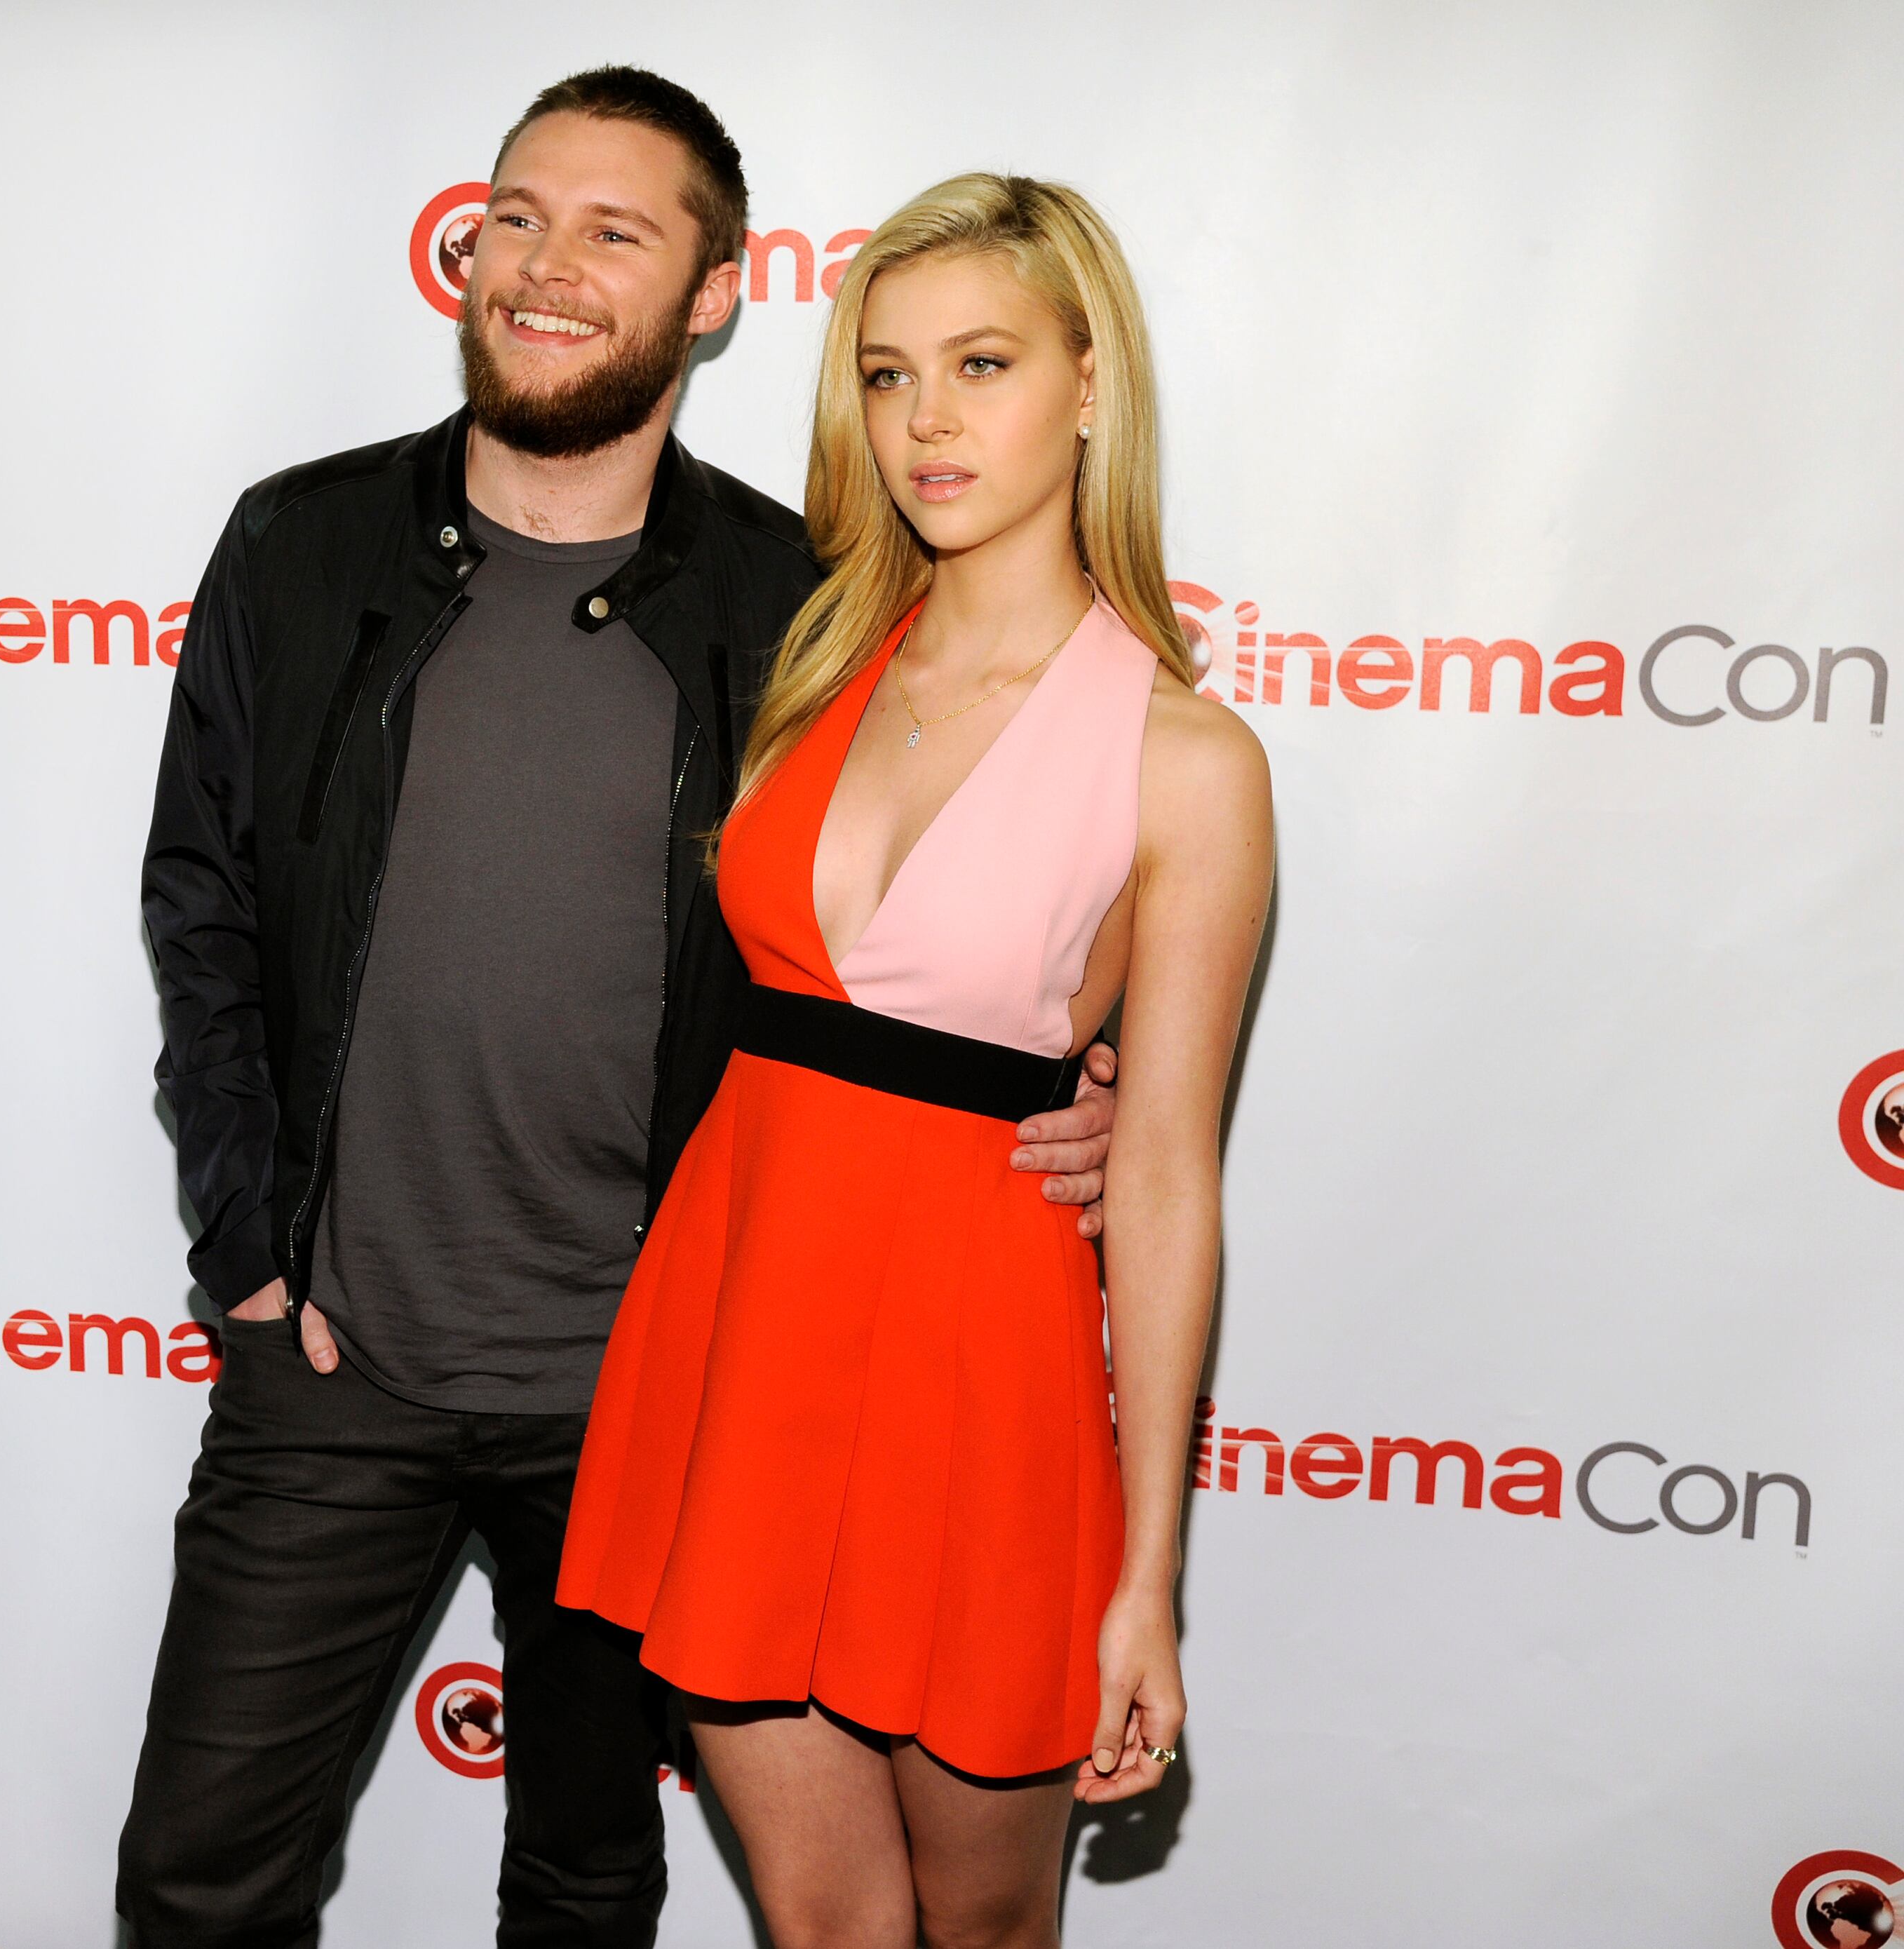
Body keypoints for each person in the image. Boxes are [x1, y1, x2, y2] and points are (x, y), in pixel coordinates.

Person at [124, 74, 1123, 1949]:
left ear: (718, 293)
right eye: (517, 215)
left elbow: (951, 913)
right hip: (337, 1365)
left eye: (615, 231)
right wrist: (252, 1243)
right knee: (198, 1878)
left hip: (663, 1391)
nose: (546, 266)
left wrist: (1096, 1072)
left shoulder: (809, 604)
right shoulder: (298, 544)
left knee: (590, 1880)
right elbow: (202, 907)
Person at [557, 175, 1271, 1949]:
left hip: (979, 1370)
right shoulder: (812, 652)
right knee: (823, 1930)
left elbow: (1169, 1166)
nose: (927, 421)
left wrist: (1149, 1585)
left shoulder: (1184, 756)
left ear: (1090, 384)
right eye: (885, 376)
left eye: (980, 363)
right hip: (739, 1336)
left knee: (983, 1934)